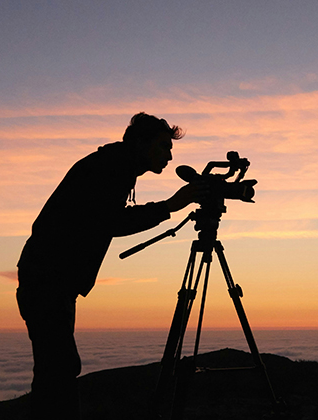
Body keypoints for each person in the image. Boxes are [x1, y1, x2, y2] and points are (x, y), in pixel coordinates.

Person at [16, 112, 204, 419]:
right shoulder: (111, 168)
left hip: (51, 279)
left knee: (57, 368)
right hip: (49, 280)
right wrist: (170, 206)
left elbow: (102, 220)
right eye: (163, 147)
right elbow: (110, 222)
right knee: (58, 369)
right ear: (141, 144)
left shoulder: (114, 164)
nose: (170, 156)